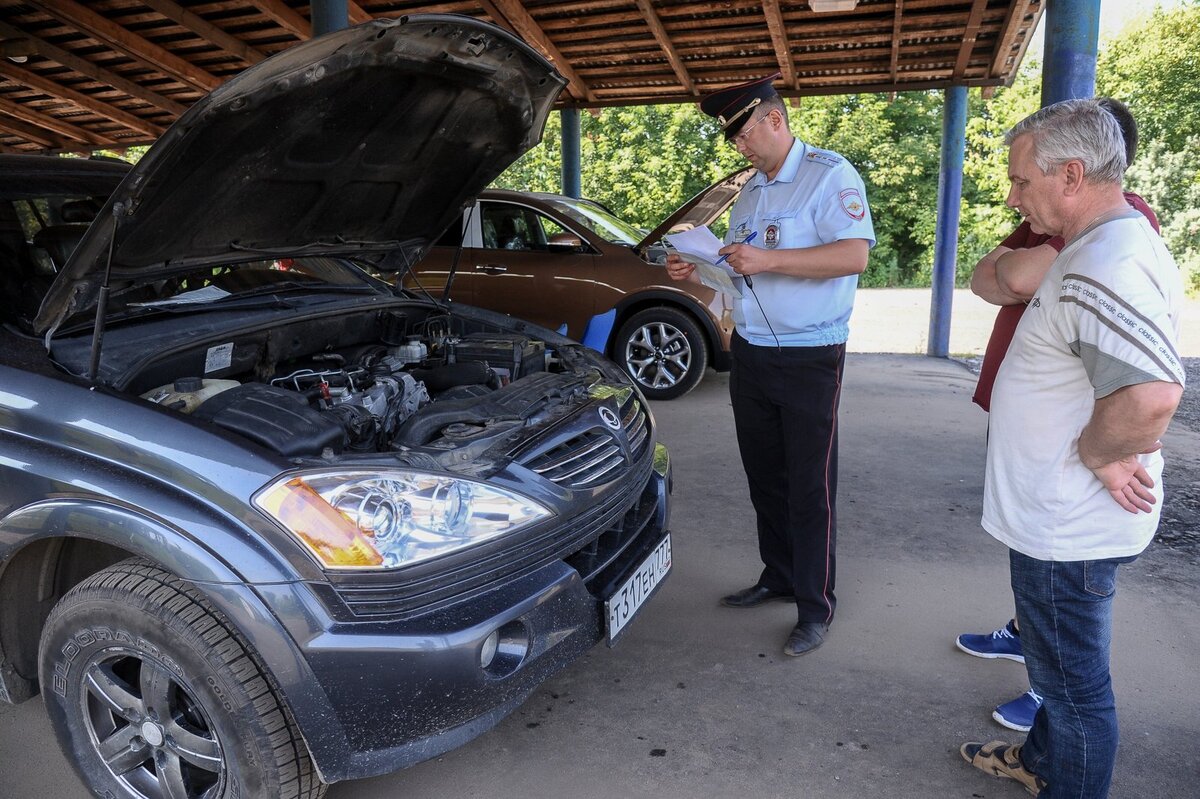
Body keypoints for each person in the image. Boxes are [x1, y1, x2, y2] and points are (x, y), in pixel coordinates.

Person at [959, 99, 1185, 798]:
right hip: (1058, 520)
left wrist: (1099, 451)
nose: (1012, 195)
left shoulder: (1104, 261)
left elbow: (1151, 396)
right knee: (1061, 674)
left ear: (1072, 174)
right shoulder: (1096, 243)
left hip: (1067, 524)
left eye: (1022, 181)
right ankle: (1042, 761)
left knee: (1076, 690)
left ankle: (1065, 778)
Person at [665, 74, 875, 656]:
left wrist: (769, 258)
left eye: (744, 134)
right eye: (734, 140)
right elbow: (742, 271)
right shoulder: (752, 192)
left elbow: (854, 254)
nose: (739, 147)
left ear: (775, 119)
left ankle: (815, 606)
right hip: (753, 352)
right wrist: (700, 269)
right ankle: (779, 576)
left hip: (810, 356)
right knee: (766, 476)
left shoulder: (829, 176)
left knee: (811, 488)